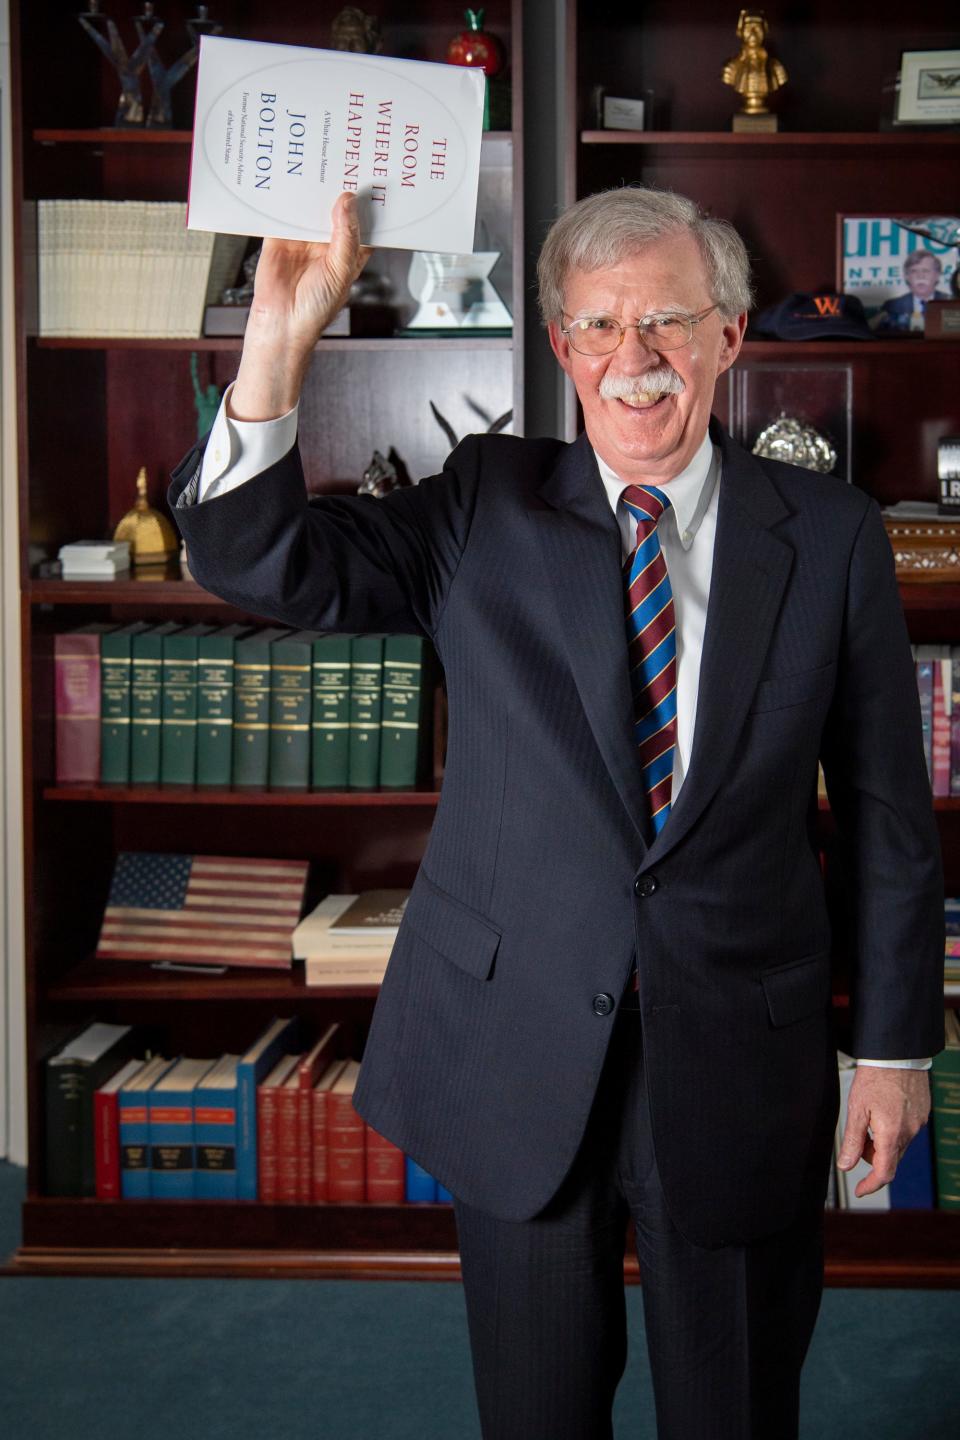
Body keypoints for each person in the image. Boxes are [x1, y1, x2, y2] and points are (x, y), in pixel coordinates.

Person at [169, 186, 944, 1440]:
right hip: (516, 1047)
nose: (633, 363)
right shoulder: (483, 503)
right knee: (537, 1415)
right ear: (561, 346)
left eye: (668, 325)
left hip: (740, 1051)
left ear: (731, 338)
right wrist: (279, 333)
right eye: (597, 328)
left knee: (737, 1412)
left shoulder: (834, 535)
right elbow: (260, 563)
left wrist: (897, 1052)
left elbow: (885, 813)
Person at [877, 249, 952, 332]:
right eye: (914, 271)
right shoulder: (892, 306)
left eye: (925, 271)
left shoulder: (951, 304)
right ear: (906, 276)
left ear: (937, 275)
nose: (920, 276)